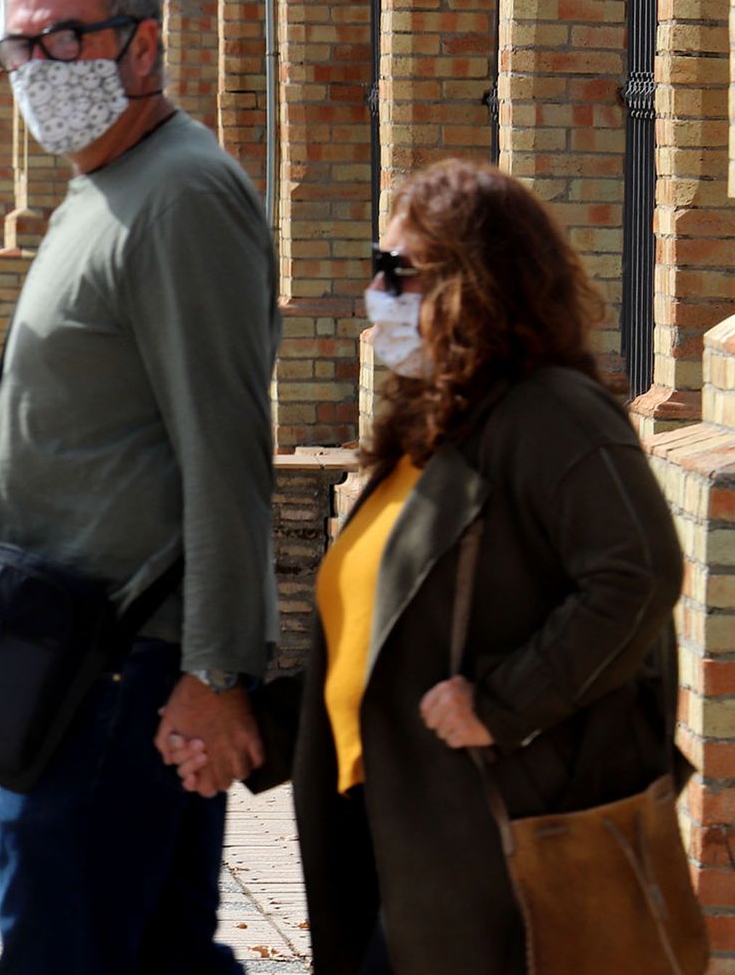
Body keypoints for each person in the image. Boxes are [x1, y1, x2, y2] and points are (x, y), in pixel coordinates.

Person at [173, 160, 685, 975]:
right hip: (392, 834)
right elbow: (380, 645)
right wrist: (257, 731)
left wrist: (504, 703)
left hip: (498, 845)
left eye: (397, 269)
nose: (376, 293)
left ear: (476, 281)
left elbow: (640, 573)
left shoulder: (553, 412)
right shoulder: (432, 431)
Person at [0, 0, 278, 975]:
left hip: (122, 666)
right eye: (17, 47)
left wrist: (214, 669)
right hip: (64, 652)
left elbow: (224, 448)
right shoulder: (102, 184)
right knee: (157, 953)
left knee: (63, 946)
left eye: (62, 39)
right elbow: (116, 409)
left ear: (141, 45)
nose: (37, 68)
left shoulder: (180, 196)